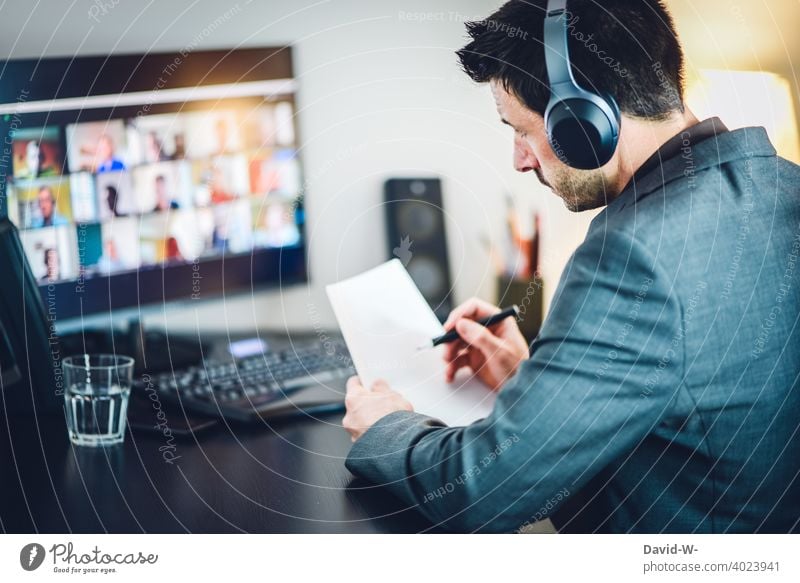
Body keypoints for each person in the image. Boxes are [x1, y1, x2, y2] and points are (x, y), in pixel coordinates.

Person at [342, 0, 800, 533]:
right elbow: (689, 413)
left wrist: (387, 427)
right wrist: (533, 383)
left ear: (584, 118)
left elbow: (480, 490)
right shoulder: (782, 187)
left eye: (521, 130)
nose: (520, 159)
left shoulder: (635, 258)